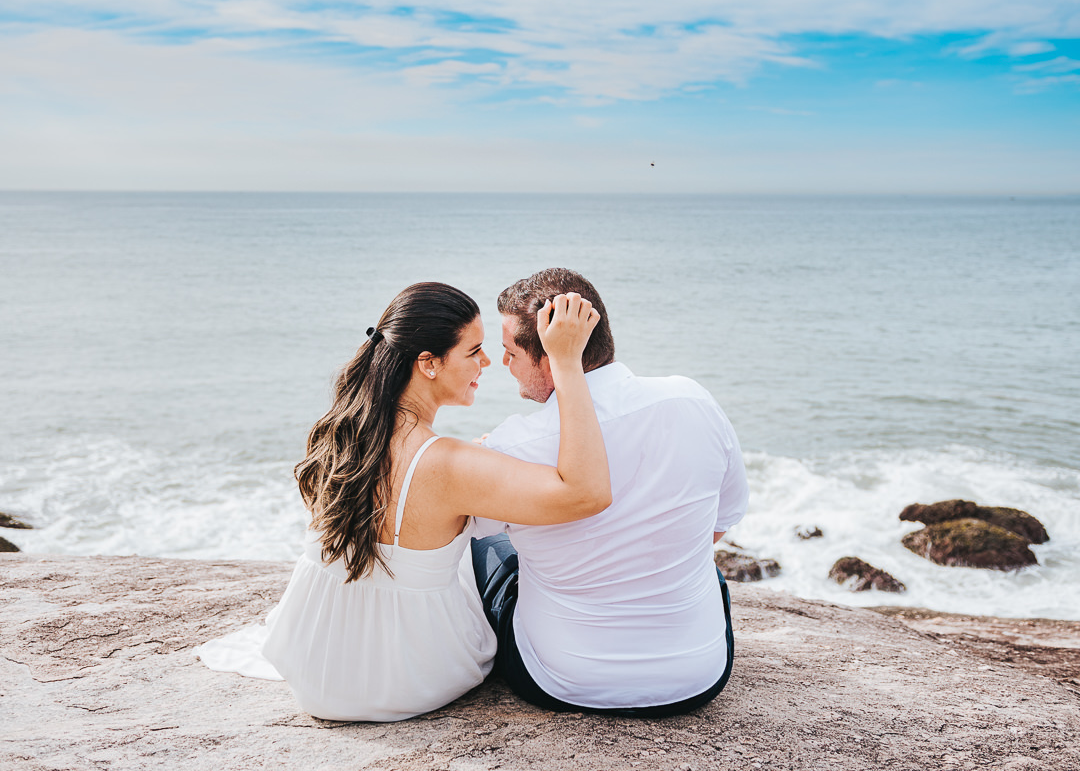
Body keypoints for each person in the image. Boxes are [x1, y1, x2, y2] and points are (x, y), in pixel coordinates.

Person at [197, 281, 609, 721]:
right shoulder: (450, 464)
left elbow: (409, 482)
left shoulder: (342, 430)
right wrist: (566, 364)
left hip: (316, 666)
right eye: (473, 351)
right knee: (495, 544)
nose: (486, 362)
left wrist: (471, 465)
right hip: (403, 680)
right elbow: (585, 493)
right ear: (428, 363)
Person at [472, 267, 749, 717]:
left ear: (549, 356)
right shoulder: (692, 400)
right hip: (698, 677)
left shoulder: (514, 445)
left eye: (509, 353)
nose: (504, 365)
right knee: (707, 572)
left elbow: (454, 531)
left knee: (485, 545)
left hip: (564, 681)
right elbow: (723, 520)